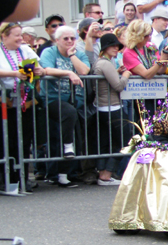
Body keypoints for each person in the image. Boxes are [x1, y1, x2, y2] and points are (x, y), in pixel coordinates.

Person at [39, 25, 91, 187]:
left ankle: (64, 175)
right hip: (52, 98)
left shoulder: (79, 53)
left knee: (74, 133)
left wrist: (72, 56)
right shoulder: (49, 52)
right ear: (56, 41)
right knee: (63, 126)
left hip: (74, 100)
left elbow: (84, 71)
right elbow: (45, 69)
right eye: (65, 39)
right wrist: (68, 72)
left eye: (72, 38)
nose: (70, 41)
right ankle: (63, 155)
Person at [0, 22, 45, 191]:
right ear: (4, 36)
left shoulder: (25, 50)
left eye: (20, 34)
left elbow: (38, 67)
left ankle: (22, 178)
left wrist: (39, 71)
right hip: (3, 101)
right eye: (16, 35)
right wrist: (14, 73)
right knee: (6, 140)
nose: (20, 38)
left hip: (24, 99)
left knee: (24, 139)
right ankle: (7, 179)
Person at [91, 33, 133, 186]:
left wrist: (117, 73)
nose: (116, 48)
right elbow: (118, 86)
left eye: (117, 45)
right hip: (112, 107)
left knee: (107, 142)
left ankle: (103, 173)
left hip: (104, 108)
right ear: (105, 47)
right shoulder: (105, 63)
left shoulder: (101, 63)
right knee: (122, 141)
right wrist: (126, 74)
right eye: (113, 45)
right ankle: (106, 174)